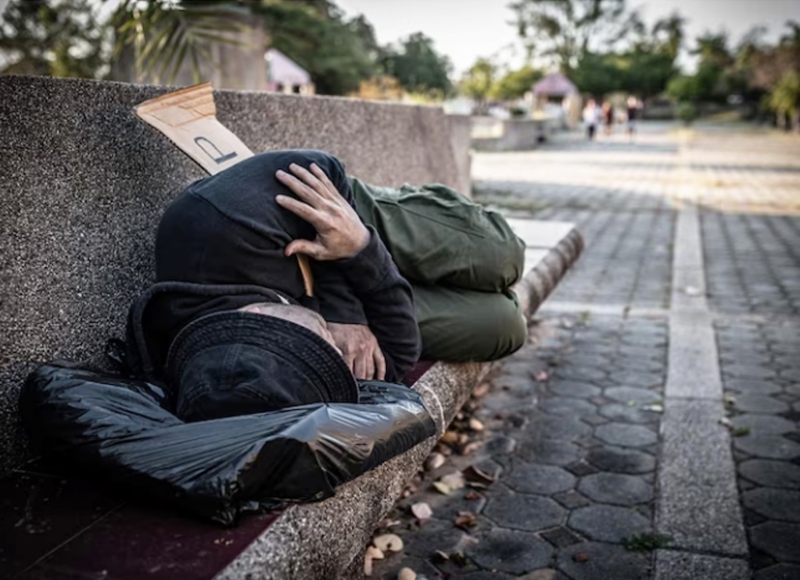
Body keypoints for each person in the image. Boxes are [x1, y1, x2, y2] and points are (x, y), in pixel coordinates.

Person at [125, 149, 527, 422]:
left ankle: (429, 221)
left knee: (504, 257)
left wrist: (343, 310)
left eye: (314, 343)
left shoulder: (215, 228)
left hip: (342, 208)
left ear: (258, 316)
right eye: (323, 355)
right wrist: (364, 254)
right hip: (365, 261)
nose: (329, 348)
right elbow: (399, 360)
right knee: (503, 326)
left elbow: (319, 167)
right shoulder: (283, 372)